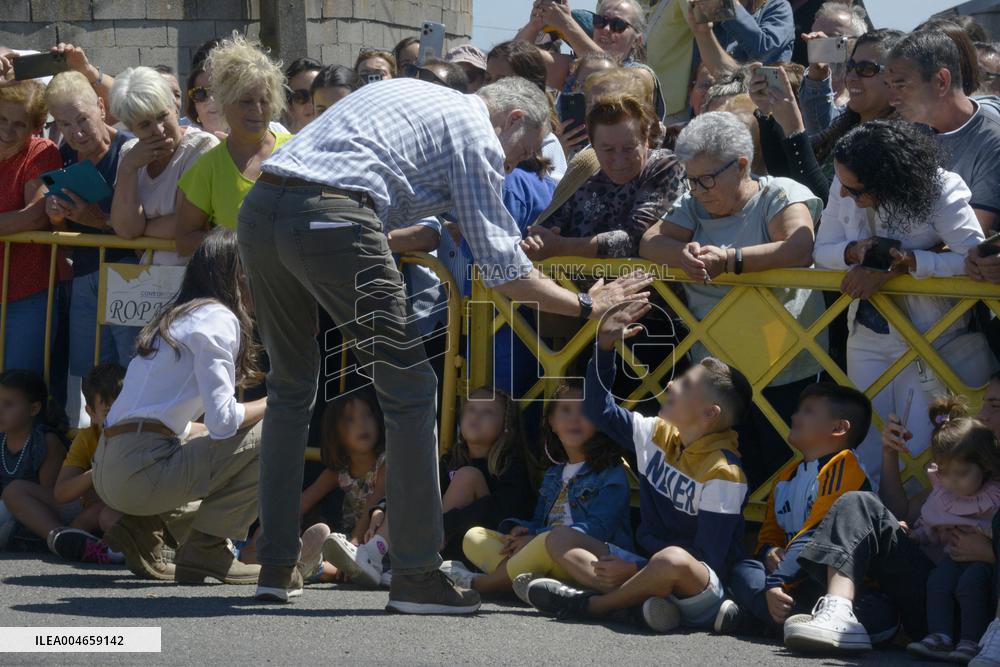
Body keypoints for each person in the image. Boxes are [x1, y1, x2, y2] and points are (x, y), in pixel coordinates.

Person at [237, 74, 652, 612]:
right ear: (513, 120)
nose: (510, 169)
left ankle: (274, 566)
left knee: (291, 388)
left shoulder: (413, 95)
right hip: (330, 215)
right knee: (410, 391)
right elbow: (504, 269)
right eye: (520, 155)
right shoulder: (477, 133)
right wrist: (587, 306)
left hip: (262, 207)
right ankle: (414, 575)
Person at [526, 304, 752, 634]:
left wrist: (635, 567)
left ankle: (592, 605)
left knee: (671, 560)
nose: (672, 386)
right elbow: (599, 410)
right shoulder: (657, 433)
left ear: (708, 415)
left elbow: (709, 560)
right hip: (644, 566)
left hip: (700, 588)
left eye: (685, 385)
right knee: (560, 538)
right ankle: (639, 605)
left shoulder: (725, 472)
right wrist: (604, 346)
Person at [639, 111, 826, 490]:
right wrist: (682, 255)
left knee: (781, 471)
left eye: (707, 178)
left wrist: (731, 261)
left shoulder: (780, 194)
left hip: (783, 368)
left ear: (742, 166)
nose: (699, 190)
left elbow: (798, 247)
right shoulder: (692, 206)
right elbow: (650, 242)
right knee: (722, 473)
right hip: (717, 376)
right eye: (691, 180)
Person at [813, 120, 986, 485]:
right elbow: (820, 250)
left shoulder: (941, 189)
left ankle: (917, 534)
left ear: (888, 181)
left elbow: (974, 260)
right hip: (866, 335)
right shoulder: (842, 183)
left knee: (918, 451)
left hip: (929, 338)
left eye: (854, 189)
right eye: (840, 184)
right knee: (865, 447)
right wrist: (851, 252)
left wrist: (910, 263)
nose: (844, 195)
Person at [91, 230, 267, 586]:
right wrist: (275, 400)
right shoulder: (220, 319)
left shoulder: (177, 317)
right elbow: (223, 423)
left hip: (108, 468)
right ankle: (209, 548)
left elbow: (171, 422)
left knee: (232, 443)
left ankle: (144, 527)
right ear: (239, 274)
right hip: (141, 471)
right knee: (280, 429)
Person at [783, 378, 1000, 655]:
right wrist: (889, 454)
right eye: (984, 404)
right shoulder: (958, 480)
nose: (982, 415)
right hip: (934, 602)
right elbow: (902, 513)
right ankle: (838, 609)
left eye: (994, 405)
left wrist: (990, 551)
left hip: (984, 606)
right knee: (857, 502)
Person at [322, 387, 536, 588]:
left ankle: (411, 559)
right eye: (471, 409)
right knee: (418, 486)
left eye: (487, 412)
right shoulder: (450, 461)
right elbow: (416, 494)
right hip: (439, 540)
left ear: (506, 425)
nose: (476, 416)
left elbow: (501, 511)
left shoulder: (510, 465)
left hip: (476, 545)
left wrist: (444, 524)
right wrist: (380, 509)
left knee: (468, 476)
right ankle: (369, 554)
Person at [444, 381, 633, 599]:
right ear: (552, 422)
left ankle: (481, 584)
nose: (574, 418)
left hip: (584, 556)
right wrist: (522, 530)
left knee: (551, 540)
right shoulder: (554, 474)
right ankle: (540, 585)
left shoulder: (611, 473)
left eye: (585, 411)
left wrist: (537, 538)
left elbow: (599, 528)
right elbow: (540, 521)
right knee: (474, 537)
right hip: (543, 549)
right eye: (565, 410)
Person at [725, 384, 879, 637]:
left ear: (839, 428)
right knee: (743, 569)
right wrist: (770, 552)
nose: (794, 417)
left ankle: (763, 618)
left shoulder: (844, 464)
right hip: (791, 581)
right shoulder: (786, 477)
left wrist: (776, 582)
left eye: (808, 411)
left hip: (830, 585)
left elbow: (816, 533)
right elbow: (768, 537)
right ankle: (788, 620)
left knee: (876, 611)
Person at [44, 71, 138, 414]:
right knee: (86, 373)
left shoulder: (130, 150)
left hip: (129, 275)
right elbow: (61, 224)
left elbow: (143, 224)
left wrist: (98, 219)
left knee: (130, 369)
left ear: (101, 107)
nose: (76, 131)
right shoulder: (65, 154)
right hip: (85, 275)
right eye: (65, 124)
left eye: (82, 119)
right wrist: (55, 212)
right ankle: (86, 448)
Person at [524, 93, 685, 262]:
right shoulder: (585, 169)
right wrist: (537, 242)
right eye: (608, 150)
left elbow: (635, 239)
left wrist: (561, 247)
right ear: (593, 146)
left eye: (629, 148)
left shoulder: (664, 166)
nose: (619, 160)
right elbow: (549, 227)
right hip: (570, 286)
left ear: (646, 140)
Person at [752, 29, 903, 203]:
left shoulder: (895, 143)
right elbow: (788, 180)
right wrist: (767, 113)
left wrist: (794, 129)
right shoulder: (844, 128)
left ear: (896, 78)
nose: (852, 76)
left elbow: (823, 203)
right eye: (851, 66)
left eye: (866, 69)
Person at [175, 34, 292, 255]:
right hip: (236, 287)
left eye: (265, 101)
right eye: (246, 101)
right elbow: (184, 239)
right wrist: (239, 246)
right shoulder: (208, 167)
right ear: (225, 103)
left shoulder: (297, 151)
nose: (257, 110)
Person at [904, 399, 1000, 663]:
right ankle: (940, 636)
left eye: (962, 473)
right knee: (938, 581)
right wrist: (915, 535)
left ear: (986, 467)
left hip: (985, 564)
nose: (952, 481)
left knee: (971, 585)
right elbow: (930, 526)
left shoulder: (993, 497)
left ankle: (971, 640)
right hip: (953, 558)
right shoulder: (943, 495)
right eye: (945, 472)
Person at [888, 29, 1000, 234]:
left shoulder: (994, 141)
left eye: (901, 85)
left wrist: (912, 259)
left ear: (941, 80)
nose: (892, 99)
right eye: (890, 86)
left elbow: (969, 236)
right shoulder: (905, 135)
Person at [108, 67, 220, 266]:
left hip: (196, 276)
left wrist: (142, 228)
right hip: (149, 284)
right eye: (144, 125)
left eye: (162, 116)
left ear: (174, 107)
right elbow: (126, 230)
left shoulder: (202, 146)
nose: (158, 130)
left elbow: (185, 224)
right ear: (130, 128)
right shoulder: (129, 153)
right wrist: (128, 169)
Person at [0, 75, 64, 376]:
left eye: (19, 124)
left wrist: (19, 220)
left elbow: (34, 217)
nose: (7, 130)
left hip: (27, 291)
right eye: (1, 118)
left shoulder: (42, 151)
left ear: (36, 126)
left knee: (20, 387)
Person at [47, 363, 125, 562]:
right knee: (17, 491)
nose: (119, 420)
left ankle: (113, 552)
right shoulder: (88, 437)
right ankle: (89, 546)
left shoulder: (143, 434)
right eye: (109, 413)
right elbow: (61, 493)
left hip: (131, 510)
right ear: (90, 412)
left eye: (125, 411)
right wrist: (96, 472)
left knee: (104, 515)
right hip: (100, 507)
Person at [0, 370, 68, 551]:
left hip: (34, 516)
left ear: (33, 409)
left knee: (14, 491)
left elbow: (52, 499)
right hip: (6, 515)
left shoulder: (45, 442)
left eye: (8, 404)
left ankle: (65, 539)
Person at [486, 40, 568, 181]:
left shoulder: (547, 143)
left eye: (502, 80)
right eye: (487, 78)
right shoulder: (479, 128)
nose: (491, 86)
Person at [798, 2, 870, 134]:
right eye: (815, 38)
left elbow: (823, 142)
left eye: (832, 38)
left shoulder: (870, 99)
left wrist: (818, 81)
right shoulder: (798, 95)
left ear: (859, 43)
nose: (820, 44)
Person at [687, 0, 795, 70]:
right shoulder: (712, 15)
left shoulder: (778, 6)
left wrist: (730, 7)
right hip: (716, 99)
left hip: (760, 100)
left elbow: (764, 51)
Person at [283, 57, 323, 134]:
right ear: (290, 107)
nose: (311, 103)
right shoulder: (284, 144)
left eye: (317, 93)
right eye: (300, 97)